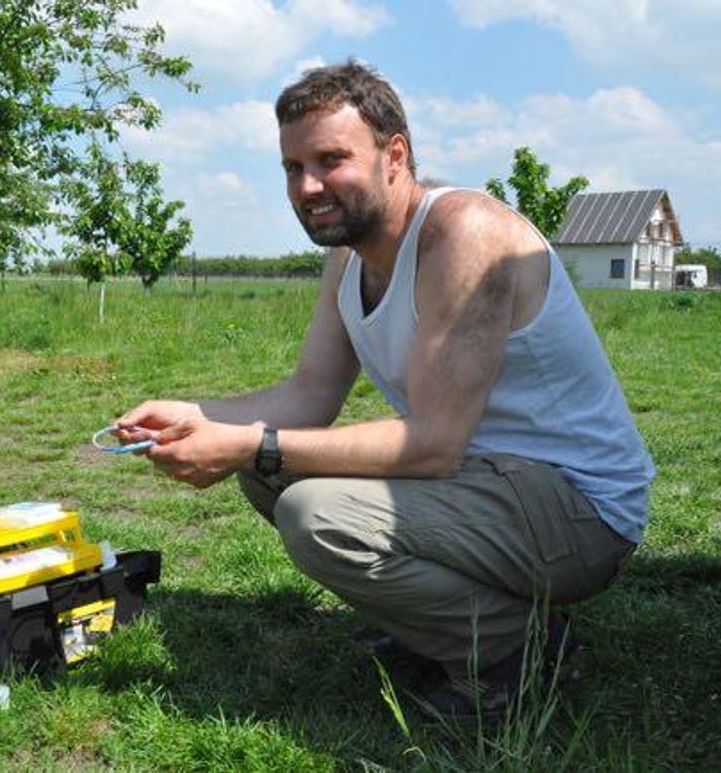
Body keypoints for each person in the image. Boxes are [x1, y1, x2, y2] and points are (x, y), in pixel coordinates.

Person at [115, 60, 654, 721]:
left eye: (330, 160)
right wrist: (193, 417)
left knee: (314, 511)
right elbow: (310, 393)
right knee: (263, 468)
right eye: (292, 166)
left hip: (578, 509)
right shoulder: (349, 256)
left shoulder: (465, 235)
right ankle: (445, 623)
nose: (308, 186)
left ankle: (521, 651)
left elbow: (431, 445)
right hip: (486, 482)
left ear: (394, 155)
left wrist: (247, 440)